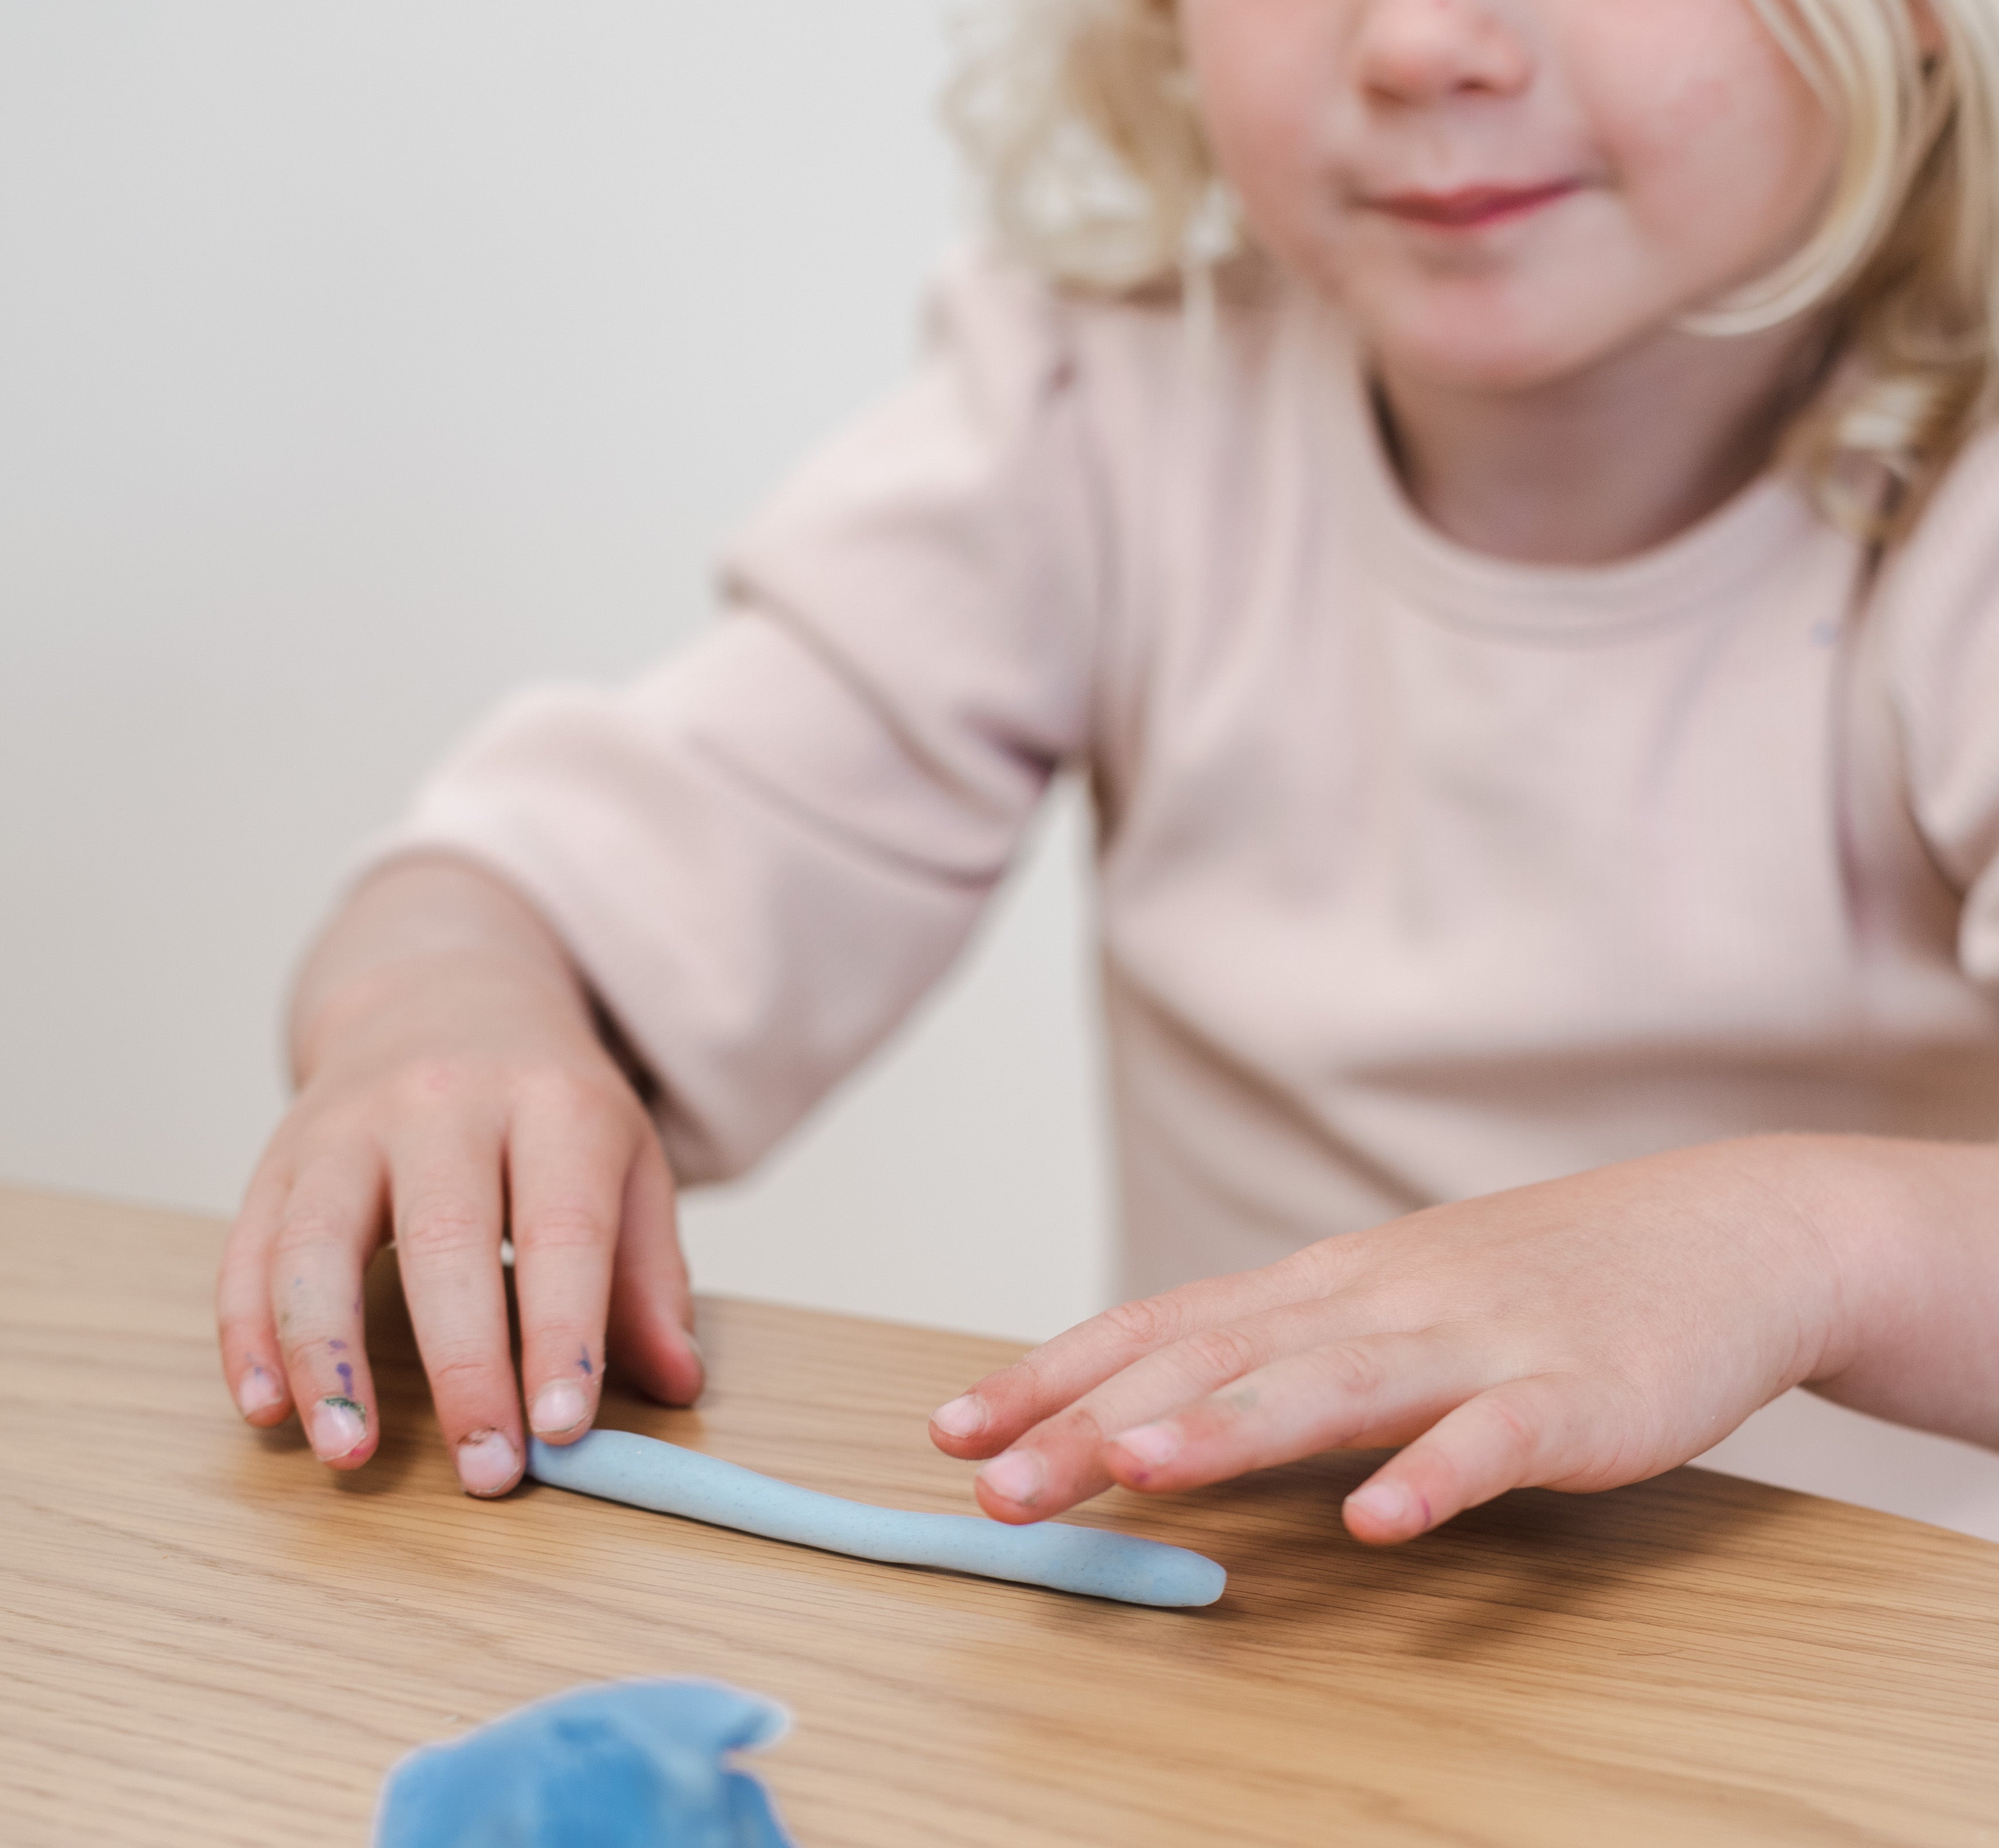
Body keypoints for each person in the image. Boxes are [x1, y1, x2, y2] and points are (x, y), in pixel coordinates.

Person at [218, 0, 1999, 1547]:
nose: (1415, 43)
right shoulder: (1110, 401)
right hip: (1279, 1652)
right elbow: (554, 885)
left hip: (1894, 1696)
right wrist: (441, 1003)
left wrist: (1798, 1244)